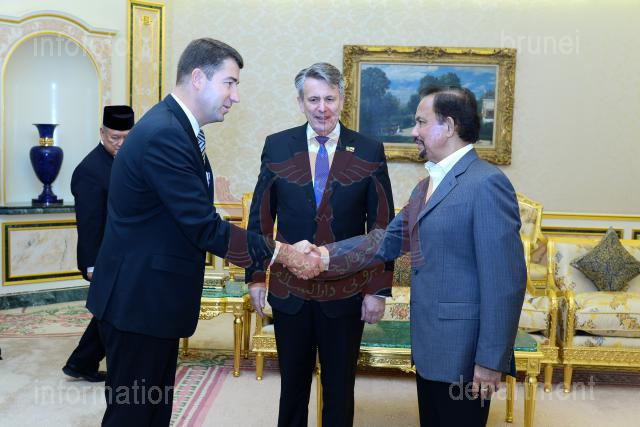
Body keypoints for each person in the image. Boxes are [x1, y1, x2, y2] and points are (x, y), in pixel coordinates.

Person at [86, 38, 322, 426]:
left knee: (152, 412)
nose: (236, 96)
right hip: (139, 302)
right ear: (198, 78)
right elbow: (204, 226)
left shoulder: (177, 128)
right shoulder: (165, 134)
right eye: (229, 83)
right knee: (132, 415)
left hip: (151, 301)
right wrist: (283, 253)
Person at [317, 86, 526, 427]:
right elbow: (386, 241)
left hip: (464, 354)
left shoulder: (487, 183)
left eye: (421, 122)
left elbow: (505, 282)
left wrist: (491, 360)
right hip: (430, 349)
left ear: (449, 126)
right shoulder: (425, 186)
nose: (413, 131)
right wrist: (323, 255)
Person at [246, 62, 395, 427]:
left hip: (346, 291)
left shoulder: (369, 150)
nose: (322, 108)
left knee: (339, 387)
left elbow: (382, 228)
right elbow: (260, 218)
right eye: (313, 99)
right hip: (290, 289)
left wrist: (377, 289)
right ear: (300, 102)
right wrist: (256, 276)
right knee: (292, 387)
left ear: (341, 99)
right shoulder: (277, 146)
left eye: (329, 98)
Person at [62, 105, 134, 383]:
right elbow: (89, 224)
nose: (121, 143)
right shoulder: (89, 170)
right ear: (102, 133)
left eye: (127, 137)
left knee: (110, 311)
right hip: (104, 258)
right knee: (111, 312)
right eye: (115, 137)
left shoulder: (129, 159)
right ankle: (84, 363)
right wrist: (91, 264)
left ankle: (80, 362)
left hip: (126, 255)